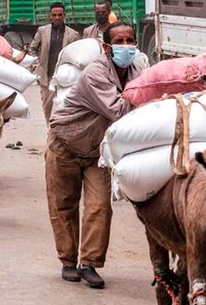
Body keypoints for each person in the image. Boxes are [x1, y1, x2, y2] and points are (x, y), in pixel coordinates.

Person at [46, 22, 142, 288]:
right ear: (106, 47)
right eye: (119, 42)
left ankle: (89, 264)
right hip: (65, 143)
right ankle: (68, 261)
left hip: (98, 150)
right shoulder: (95, 73)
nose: (126, 46)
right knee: (64, 205)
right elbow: (119, 110)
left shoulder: (137, 70)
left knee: (100, 207)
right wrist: (148, 92)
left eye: (130, 40)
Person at [19, 2, 79, 120]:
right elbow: (32, 49)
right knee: (48, 107)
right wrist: (37, 64)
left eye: (60, 15)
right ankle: (49, 128)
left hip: (64, 76)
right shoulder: (42, 31)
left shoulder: (72, 34)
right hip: (46, 76)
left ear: (64, 15)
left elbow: (76, 54)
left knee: (63, 106)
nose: (57, 17)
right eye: (54, 15)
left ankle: (57, 130)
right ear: (50, 16)